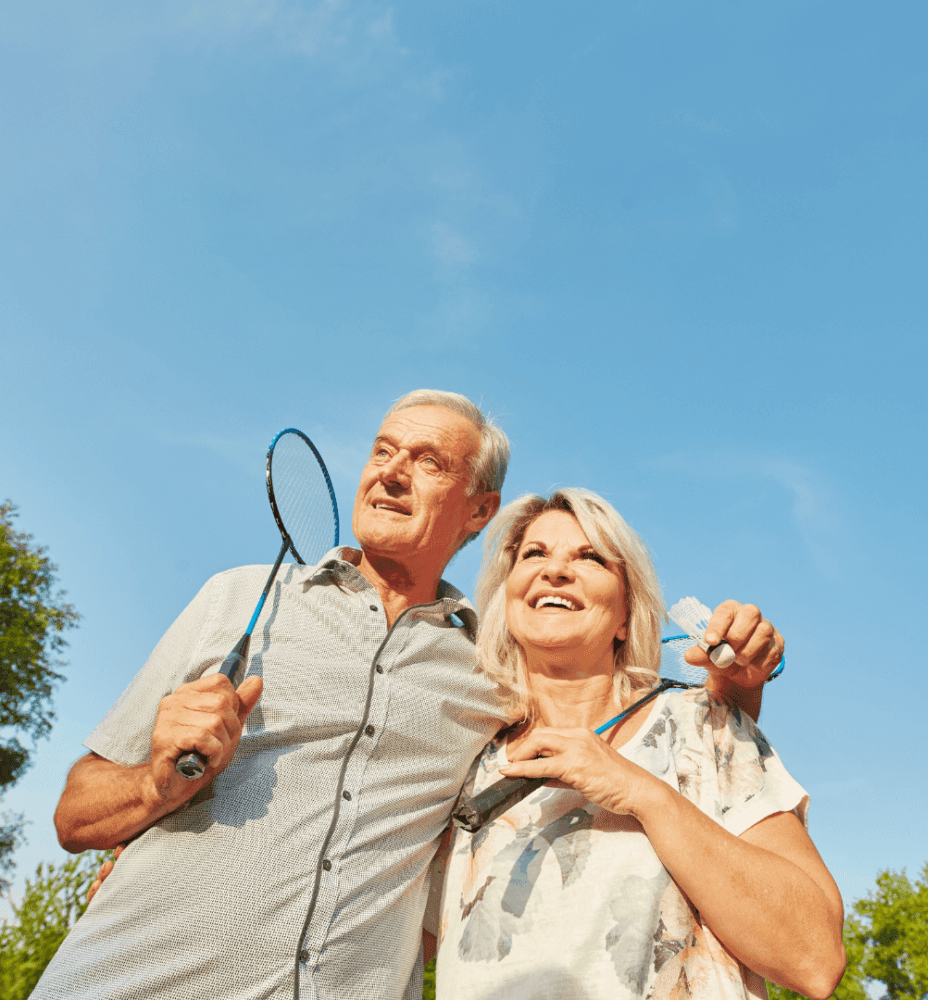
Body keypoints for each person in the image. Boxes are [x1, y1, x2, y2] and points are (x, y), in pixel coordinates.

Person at [35, 391, 785, 1000]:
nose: (389, 473)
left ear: (478, 511)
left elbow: (638, 728)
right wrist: (156, 784)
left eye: (427, 462)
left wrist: (736, 687)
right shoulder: (237, 600)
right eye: (382, 452)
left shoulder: (497, 677)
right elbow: (77, 813)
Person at [426, 489, 844, 1000]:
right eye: (534, 554)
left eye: (590, 558)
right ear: (507, 596)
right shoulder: (462, 762)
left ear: (626, 616)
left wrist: (640, 791)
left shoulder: (700, 726)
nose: (555, 570)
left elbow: (815, 958)